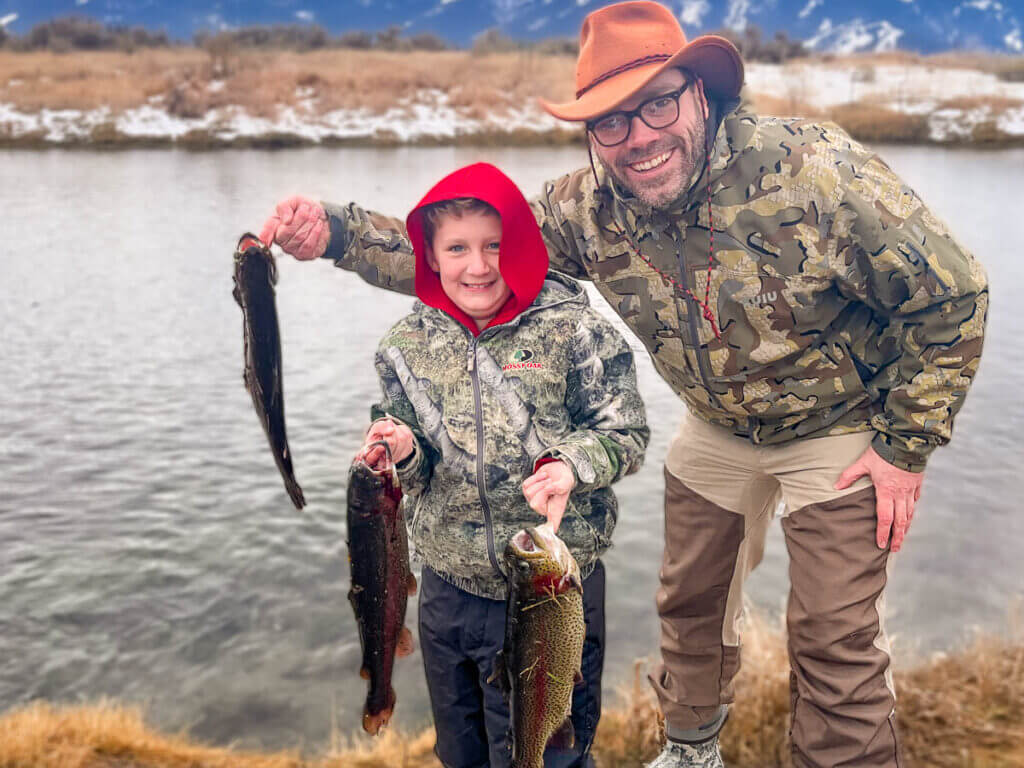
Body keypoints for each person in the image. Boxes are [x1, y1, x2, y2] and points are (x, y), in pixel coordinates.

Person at [258, 3, 989, 766]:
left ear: (700, 94)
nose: (637, 137)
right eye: (610, 122)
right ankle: (692, 748)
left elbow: (956, 294)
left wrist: (907, 445)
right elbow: (465, 262)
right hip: (715, 425)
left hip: (841, 424)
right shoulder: (588, 209)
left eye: (657, 104)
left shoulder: (817, 175)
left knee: (831, 640)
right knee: (689, 605)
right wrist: (337, 233)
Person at [352, 162, 648, 768]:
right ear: (430, 257)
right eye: (457, 248)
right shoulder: (403, 348)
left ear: (520, 245)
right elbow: (414, 469)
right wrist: (402, 452)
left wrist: (572, 464)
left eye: (493, 245)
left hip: (552, 589)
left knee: (550, 750)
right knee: (461, 751)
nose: (479, 266)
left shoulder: (575, 330)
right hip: (447, 595)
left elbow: (627, 431)